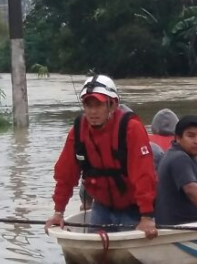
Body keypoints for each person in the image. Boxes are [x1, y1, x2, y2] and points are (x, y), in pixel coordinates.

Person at [45, 75, 159, 238]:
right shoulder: (77, 132)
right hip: (102, 206)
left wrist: (146, 217)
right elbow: (65, 175)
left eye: (98, 104)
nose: (92, 111)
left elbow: (144, 175)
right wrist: (58, 212)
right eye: (88, 105)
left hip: (134, 208)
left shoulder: (131, 128)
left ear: (112, 105)